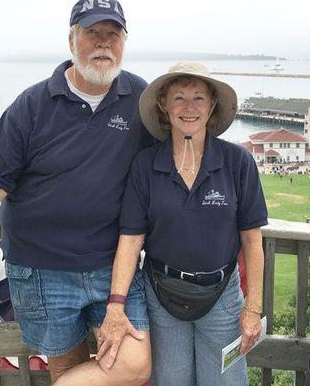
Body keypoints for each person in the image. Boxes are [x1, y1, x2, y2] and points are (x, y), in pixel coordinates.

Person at [0, 0, 153, 386]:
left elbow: (176, 154)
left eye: (113, 34)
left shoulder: (141, 100)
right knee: (68, 370)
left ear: (124, 43)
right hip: (41, 269)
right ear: (72, 40)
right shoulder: (32, 106)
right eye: (93, 33)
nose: (104, 43)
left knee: (134, 363)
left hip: (114, 268)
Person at [97, 62, 268, 386]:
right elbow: (131, 240)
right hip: (162, 296)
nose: (189, 108)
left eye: (199, 98)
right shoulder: (146, 166)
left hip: (222, 299)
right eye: (179, 98)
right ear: (163, 104)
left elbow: (252, 240)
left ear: (212, 105)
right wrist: (116, 304)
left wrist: (253, 308)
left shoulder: (237, 162)